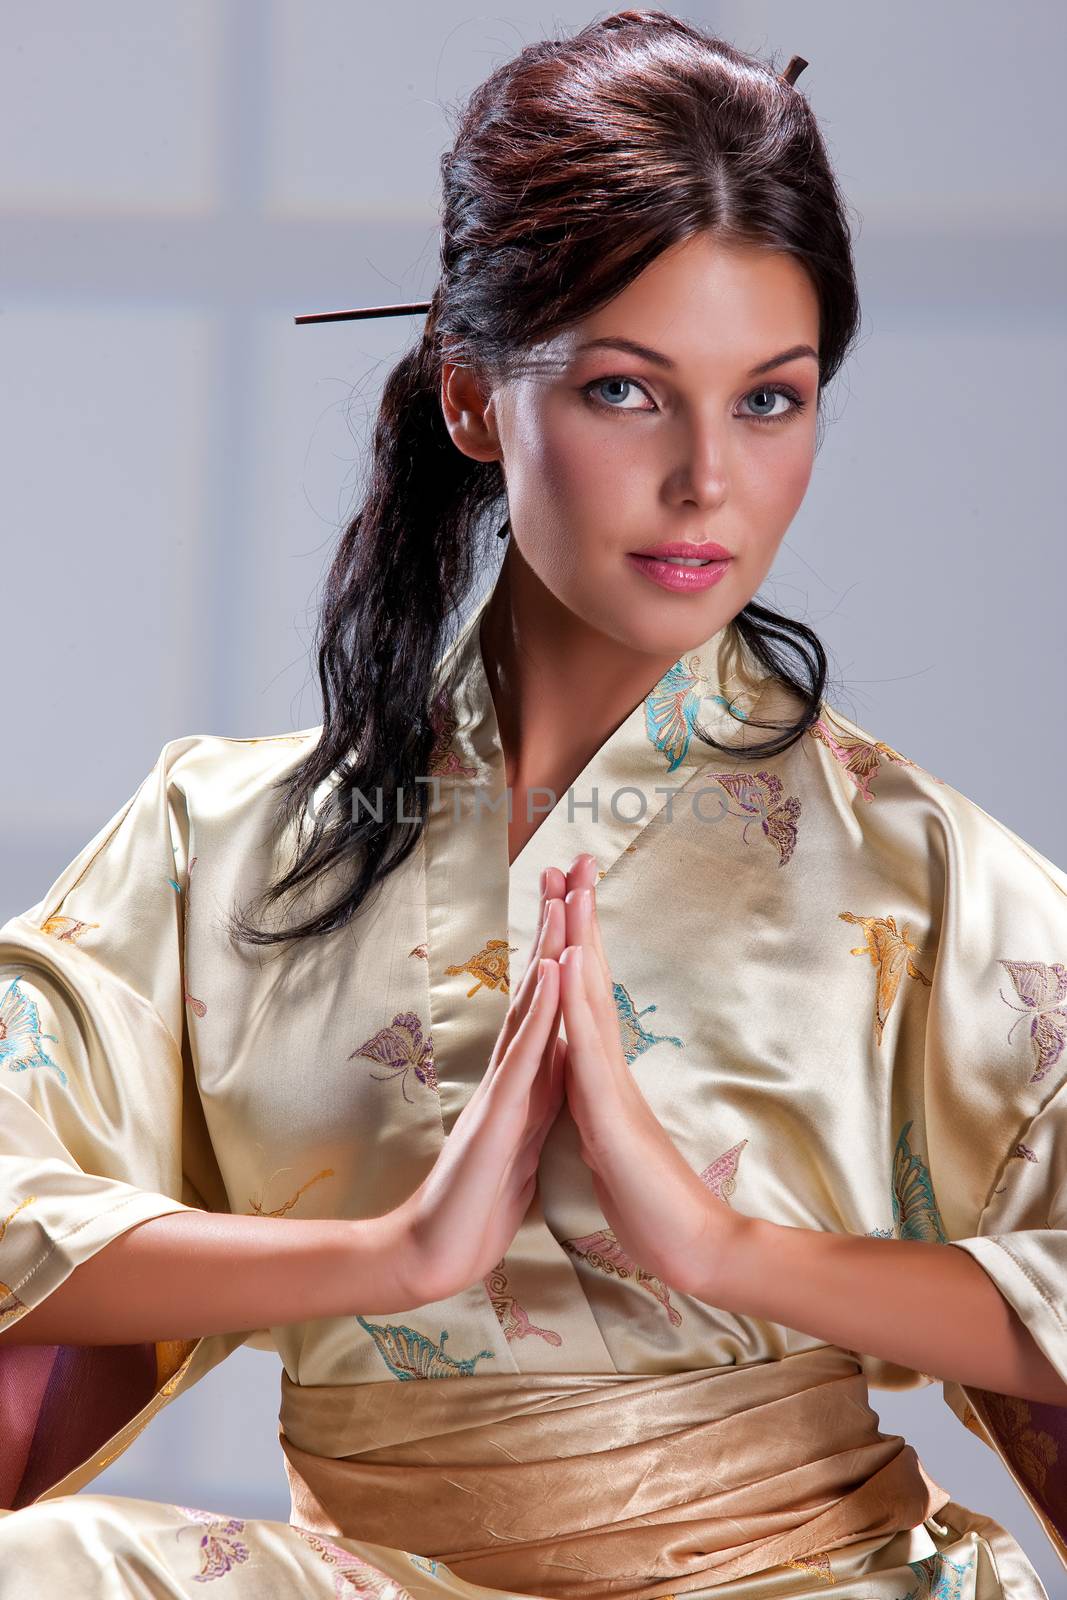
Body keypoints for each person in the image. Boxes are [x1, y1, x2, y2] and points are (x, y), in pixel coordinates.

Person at [1, 10, 1064, 1598]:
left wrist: (730, 1255)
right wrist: (389, 1254)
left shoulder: (919, 871)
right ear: (473, 401)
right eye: (631, 393)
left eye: (771, 399)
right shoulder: (220, 847)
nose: (709, 479)